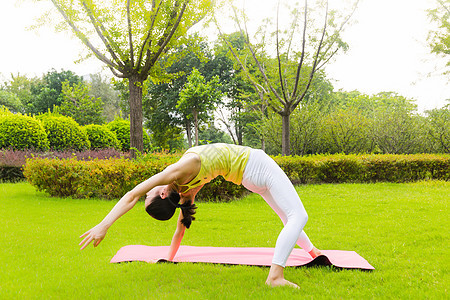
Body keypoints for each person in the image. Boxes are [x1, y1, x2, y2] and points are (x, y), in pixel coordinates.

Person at [79, 143, 321, 288]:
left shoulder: (185, 193)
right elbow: (132, 194)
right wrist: (104, 224)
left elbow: (179, 230)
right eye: (148, 196)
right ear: (162, 194)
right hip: (257, 165)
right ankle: (275, 276)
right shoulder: (181, 169)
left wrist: (169, 258)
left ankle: (314, 253)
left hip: (248, 179)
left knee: (288, 218)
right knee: (298, 216)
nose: (147, 192)